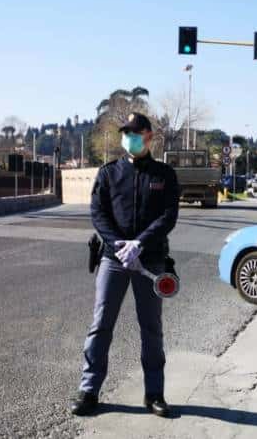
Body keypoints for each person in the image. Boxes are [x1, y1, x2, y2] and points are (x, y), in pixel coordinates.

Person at [71, 112, 180, 417]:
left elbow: (168, 216)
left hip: (151, 260)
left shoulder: (164, 175)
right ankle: (89, 390)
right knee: (101, 324)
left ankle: (154, 394)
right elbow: (98, 212)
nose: (128, 138)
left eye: (134, 133)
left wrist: (140, 243)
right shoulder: (109, 173)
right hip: (113, 259)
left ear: (148, 137)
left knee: (151, 328)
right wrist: (118, 243)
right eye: (125, 133)